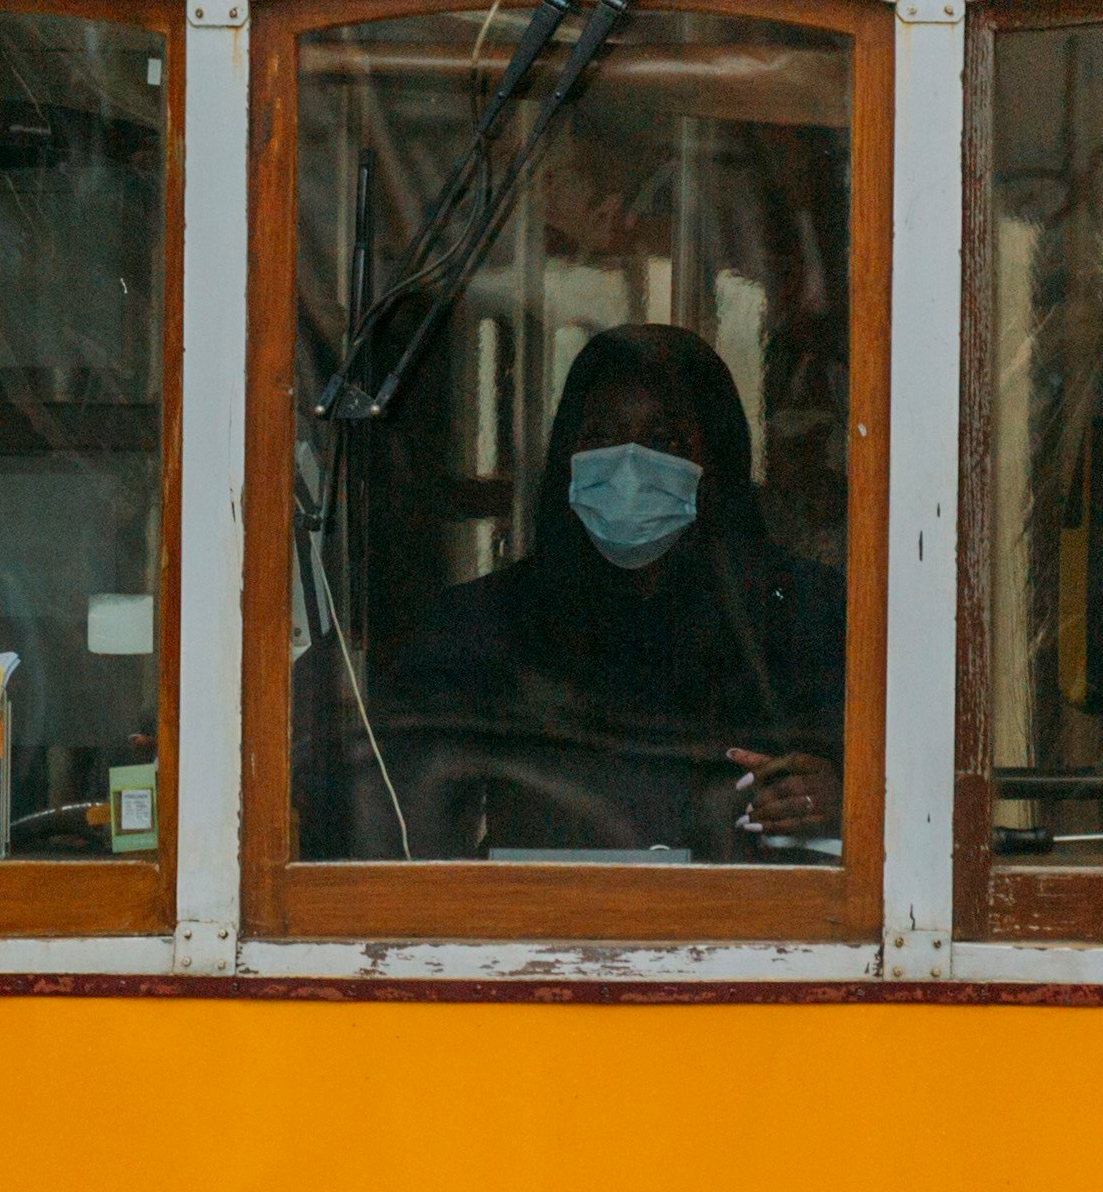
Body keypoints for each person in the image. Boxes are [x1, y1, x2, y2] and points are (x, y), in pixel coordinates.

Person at [340, 323, 842, 850]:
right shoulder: (479, 625)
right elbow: (394, 818)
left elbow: (894, 794)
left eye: (663, 440)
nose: (627, 464)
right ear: (566, 456)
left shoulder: (804, 618)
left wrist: (836, 804)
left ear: (716, 459)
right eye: (601, 435)